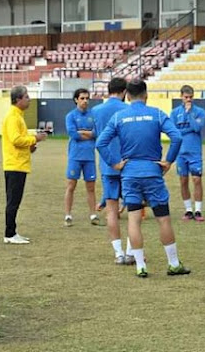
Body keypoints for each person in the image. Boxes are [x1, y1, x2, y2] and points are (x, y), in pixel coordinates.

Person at [96, 79, 190, 278]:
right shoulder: (156, 113)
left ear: (128, 96)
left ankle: (140, 266)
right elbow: (178, 137)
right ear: (146, 95)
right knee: (163, 217)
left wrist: (114, 163)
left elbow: (101, 143)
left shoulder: (119, 116)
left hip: (129, 173)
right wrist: (169, 161)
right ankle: (173, 263)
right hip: (152, 171)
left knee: (133, 218)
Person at [91, 78, 133, 264]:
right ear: (124, 92)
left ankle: (118, 253)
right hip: (128, 165)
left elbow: (98, 137)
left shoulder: (97, 110)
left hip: (108, 165)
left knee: (111, 211)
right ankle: (132, 251)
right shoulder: (128, 110)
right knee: (133, 209)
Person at [2, 86, 47, 244]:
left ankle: (12, 232)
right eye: (26, 96)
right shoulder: (13, 117)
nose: (29, 99)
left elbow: (20, 140)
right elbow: (16, 139)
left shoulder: (18, 116)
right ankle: (9, 234)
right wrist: (35, 139)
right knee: (13, 201)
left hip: (18, 163)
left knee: (15, 201)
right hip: (14, 165)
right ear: (18, 99)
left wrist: (30, 146)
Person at [64, 88, 99, 227]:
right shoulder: (70, 116)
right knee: (71, 186)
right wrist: (87, 133)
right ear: (76, 100)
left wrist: (84, 133)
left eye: (87, 98)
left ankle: (93, 214)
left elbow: (97, 133)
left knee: (91, 187)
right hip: (75, 155)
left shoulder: (93, 115)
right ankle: (68, 215)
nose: (85, 101)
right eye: (82, 98)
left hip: (89, 156)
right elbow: (74, 134)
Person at [170, 85, 205, 221]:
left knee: (197, 179)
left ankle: (198, 210)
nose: (188, 100)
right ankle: (188, 209)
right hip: (180, 152)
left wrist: (190, 113)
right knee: (183, 180)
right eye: (186, 97)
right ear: (181, 97)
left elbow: (197, 128)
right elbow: (173, 132)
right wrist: (187, 130)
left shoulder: (200, 112)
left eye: (191, 97)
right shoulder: (174, 113)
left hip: (195, 152)